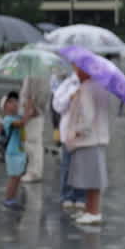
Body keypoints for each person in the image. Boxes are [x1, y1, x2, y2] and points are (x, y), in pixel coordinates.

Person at [61, 66, 112, 226]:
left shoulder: (87, 88)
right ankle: (90, 210)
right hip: (98, 138)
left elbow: (87, 117)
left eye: (78, 69)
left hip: (88, 139)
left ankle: (93, 211)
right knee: (93, 178)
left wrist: (75, 131)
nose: (76, 72)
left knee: (92, 179)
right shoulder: (100, 86)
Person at [0, 91, 37, 211]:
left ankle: (12, 198)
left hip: (20, 152)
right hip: (12, 153)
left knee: (17, 177)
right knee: (13, 177)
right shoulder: (8, 120)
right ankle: (8, 199)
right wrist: (27, 111)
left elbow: (33, 115)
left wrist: (30, 106)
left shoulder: (17, 116)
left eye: (16, 101)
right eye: (10, 102)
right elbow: (21, 123)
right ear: (4, 106)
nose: (14, 104)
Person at [52, 71, 82, 210]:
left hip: (84, 132)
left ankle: (81, 196)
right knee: (68, 165)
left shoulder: (92, 84)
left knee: (83, 166)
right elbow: (57, 106)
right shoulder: (68, 83)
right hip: (68, 131)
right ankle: (67, 195)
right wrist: (70, 97)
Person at [18, 73, 50, 183]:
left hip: (33, 114)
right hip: (32, 112)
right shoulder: (33, 75)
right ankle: (32, 170)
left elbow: (33, 97)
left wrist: (30, 111)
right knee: (32, 144)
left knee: (33, 144)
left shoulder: (35, 76)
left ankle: (34, 172)